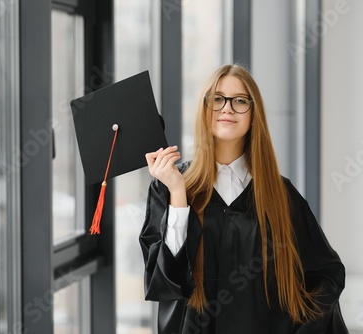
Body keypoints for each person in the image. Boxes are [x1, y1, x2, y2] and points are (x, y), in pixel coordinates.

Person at [140, 64, 348, 333]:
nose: (227, 108)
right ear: (204, 110)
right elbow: (166, 281)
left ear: (253, 114)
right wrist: (178, 194)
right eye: (217, 99)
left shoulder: (281, 195)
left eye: (239, 101)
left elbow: (326, 275)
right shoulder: (169, 186)